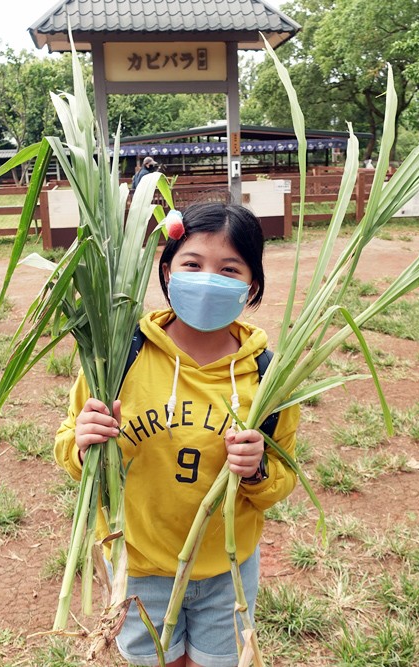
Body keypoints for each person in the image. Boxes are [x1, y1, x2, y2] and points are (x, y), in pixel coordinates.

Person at [54, 203, 300, 667]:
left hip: (226, 571)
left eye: (229, 269)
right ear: (167, 271)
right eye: (192, 264)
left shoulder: (268, 378)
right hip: (139, 566)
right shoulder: (116, 359)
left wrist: (256, 471)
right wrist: (83, 444)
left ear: (252, 285)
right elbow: (69, 445)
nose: (209, 278)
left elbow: (281, 478)